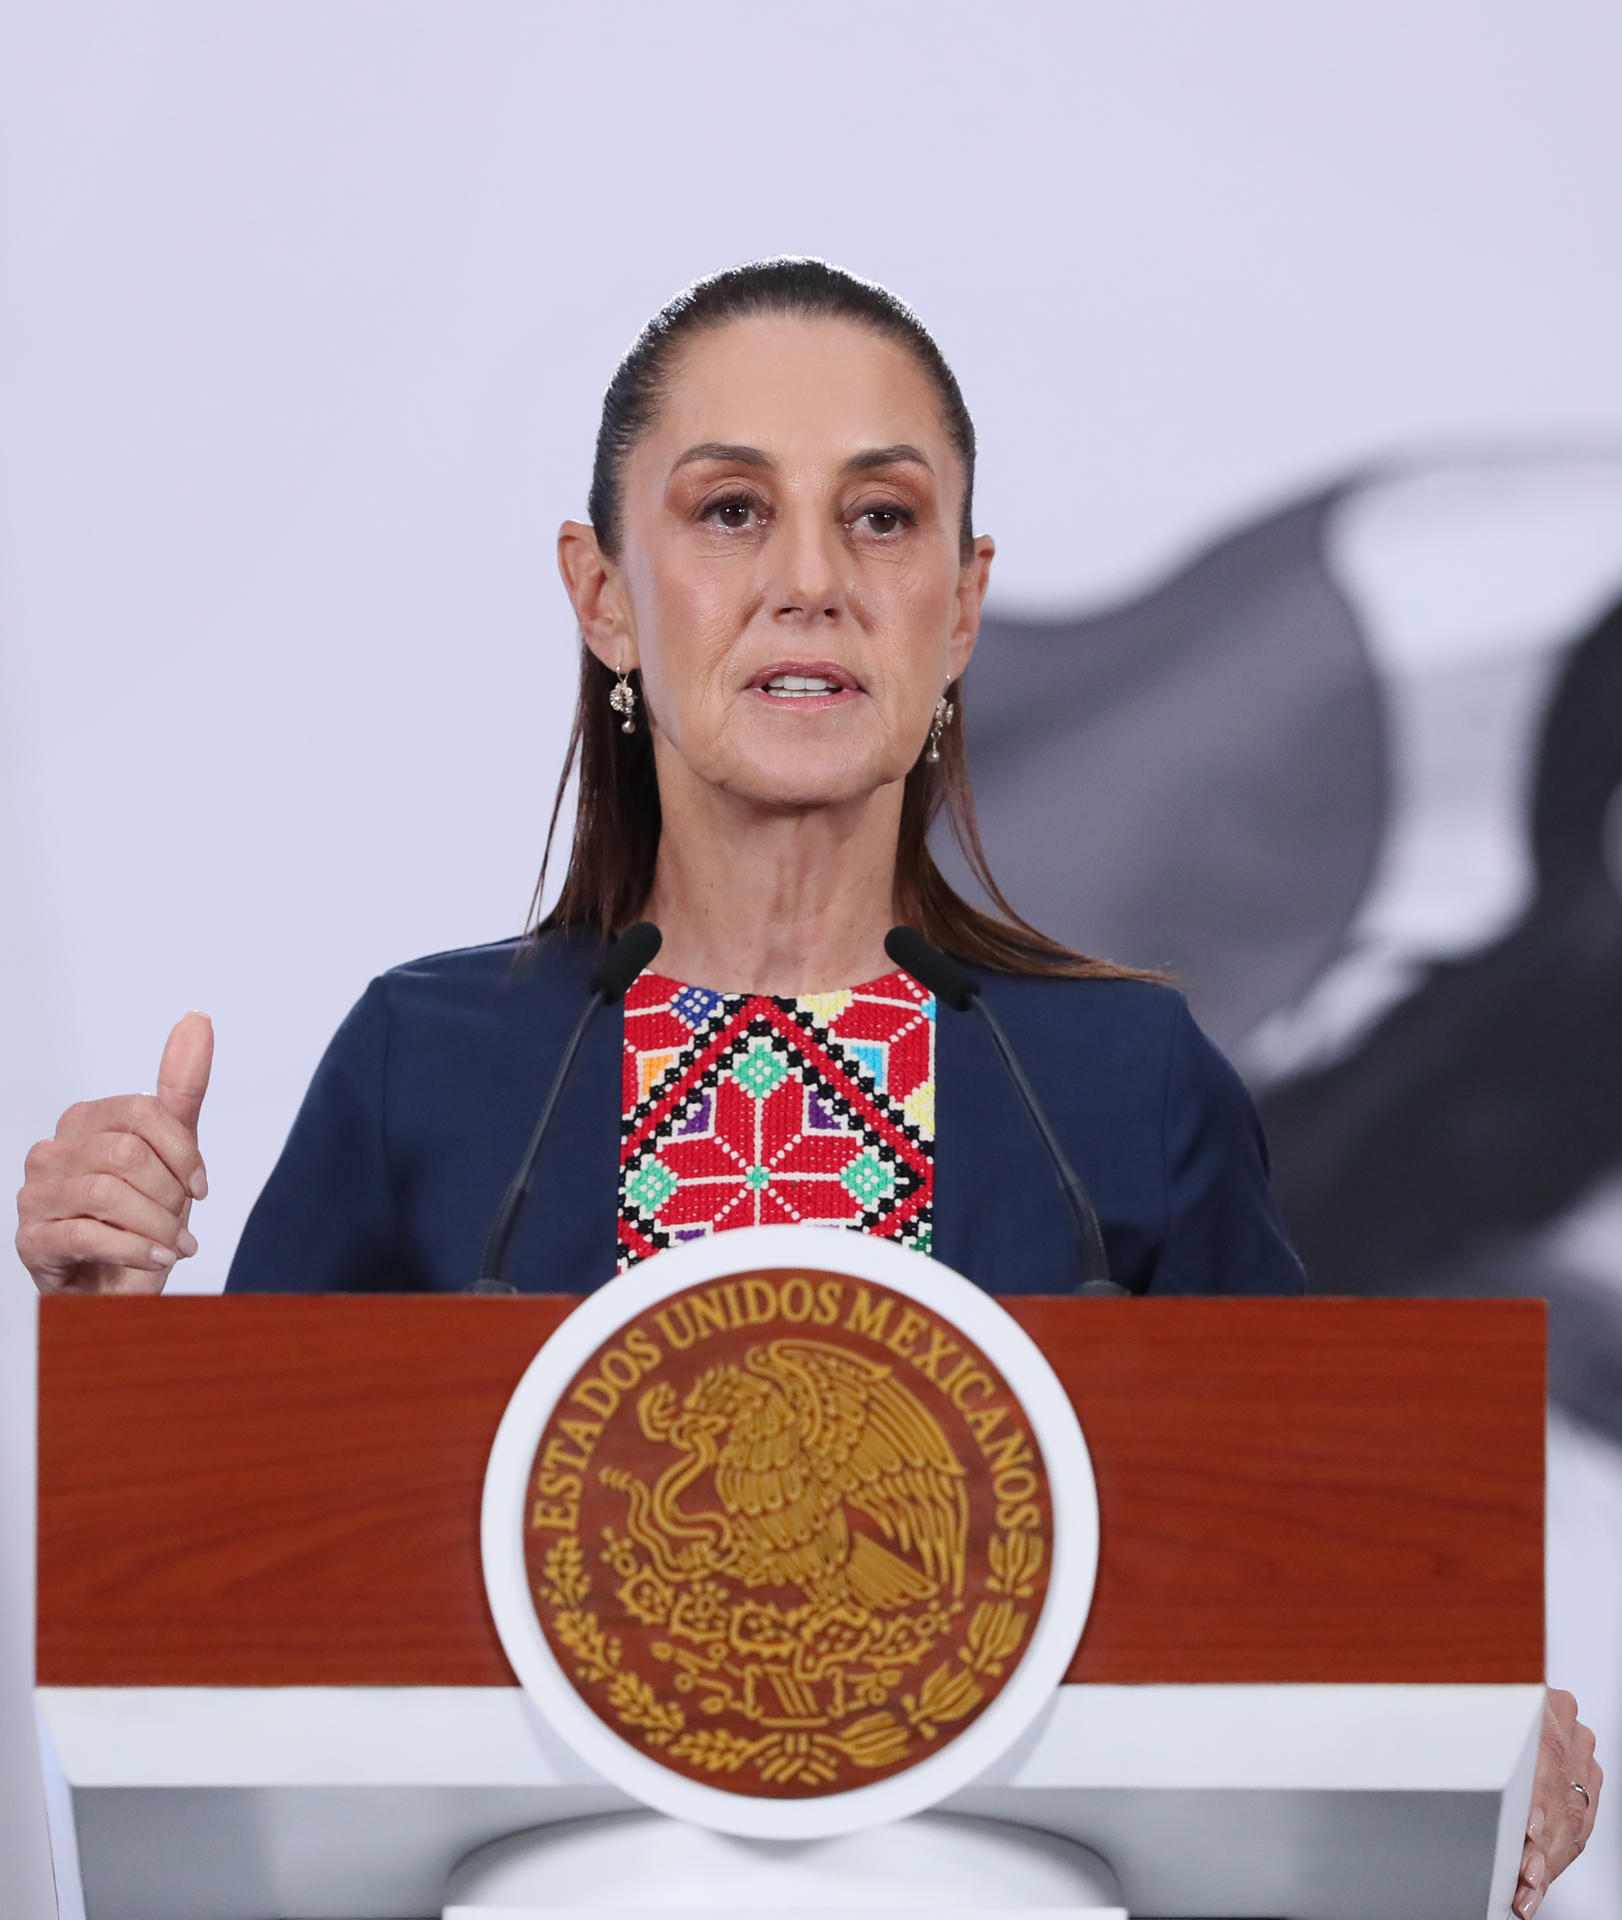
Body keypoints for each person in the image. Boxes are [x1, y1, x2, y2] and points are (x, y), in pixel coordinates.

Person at [13, 259, 1599, 1906]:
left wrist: (1476, 1747)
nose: (811, 582)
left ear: (964, 605)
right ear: (605, 594)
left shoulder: (1127, 1079)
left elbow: (1325, 1607)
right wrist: (114, 1330)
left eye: (883, 519)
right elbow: (228, 1632)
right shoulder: (430, 1064)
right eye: (726, 512)